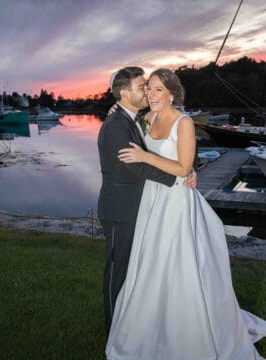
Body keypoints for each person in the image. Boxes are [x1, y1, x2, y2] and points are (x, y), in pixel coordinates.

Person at [106, 68, 266, 359]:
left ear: (172, 93)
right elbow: (125, 120)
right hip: (151, 199)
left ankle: (187, 327)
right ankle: (149, 327)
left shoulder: (183, 123)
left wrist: (147, 156)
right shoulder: (147, 119)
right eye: (149, 89)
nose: (152, 94)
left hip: (175, 203)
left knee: (176, 261)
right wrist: (115, 109)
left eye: (159, 89)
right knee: (150, 263)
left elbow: (183, 168)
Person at [97, 66, 196, 330]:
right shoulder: (118, 124)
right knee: (117, 272)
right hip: (121, 210)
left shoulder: (136, 119)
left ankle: (137, 323)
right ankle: (113, 331)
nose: (147, 92)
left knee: (143, 269)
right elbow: (136, 165)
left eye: (152, 88)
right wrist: (179, 177)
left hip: (145, 206)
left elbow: (171, 154)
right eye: (142, 87)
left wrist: (186, 168)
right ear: (124, 93)